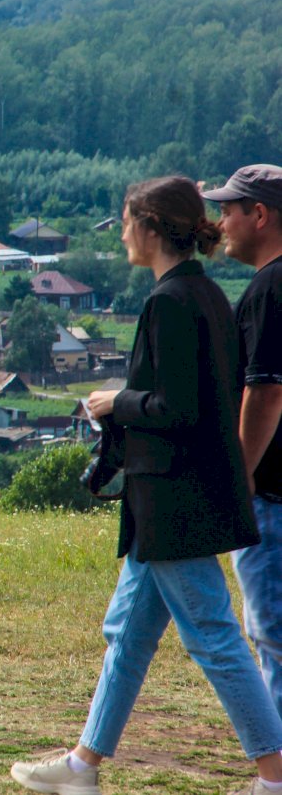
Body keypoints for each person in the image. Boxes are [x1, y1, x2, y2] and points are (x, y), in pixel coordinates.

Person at [10, 176, 282, 795]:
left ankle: (274, 776)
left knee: (214, 636)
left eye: (128, 222)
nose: (124, 233)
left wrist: (116, 401)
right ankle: (82, 767)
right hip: (167, 500)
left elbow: (178, 407)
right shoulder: (207, 294)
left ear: (153, 228)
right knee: (126, 632)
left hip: (173, 502)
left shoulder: (169, 302)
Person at [204, 164, 282, 723]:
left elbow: (267, 392)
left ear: (260, 215)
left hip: (271, 498)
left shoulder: (269, 287)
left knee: (273, 637)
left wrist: (241, 474)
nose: (221, 220)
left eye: (229, 209)